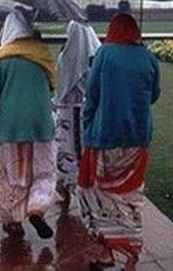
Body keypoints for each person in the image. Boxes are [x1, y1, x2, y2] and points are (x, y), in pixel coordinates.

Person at [78, 13, 160, 268]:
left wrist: (88, 123)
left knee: (99, 194)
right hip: (137, 138)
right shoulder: (148, 57)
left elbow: (92, 94)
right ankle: (130, 253)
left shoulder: (105, 54)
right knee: (130, 196)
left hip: (106, 136)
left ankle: (107, 251)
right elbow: (154, 94)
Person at [0, 9, 58, 239]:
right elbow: (52, 86)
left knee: (13, 175)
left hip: (12, 128)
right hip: (41, 125)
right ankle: (37, 209)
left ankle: (13, 222)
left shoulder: (3, 59)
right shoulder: (41, 55)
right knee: (44, 172)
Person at [53, 20, 101, 207]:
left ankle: (66, 187)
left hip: (67, 110)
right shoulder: (96, 55)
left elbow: (61, 84)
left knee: (67, 149)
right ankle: (84, 186)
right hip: (87, 112)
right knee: (82, 149)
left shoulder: (66, 57)